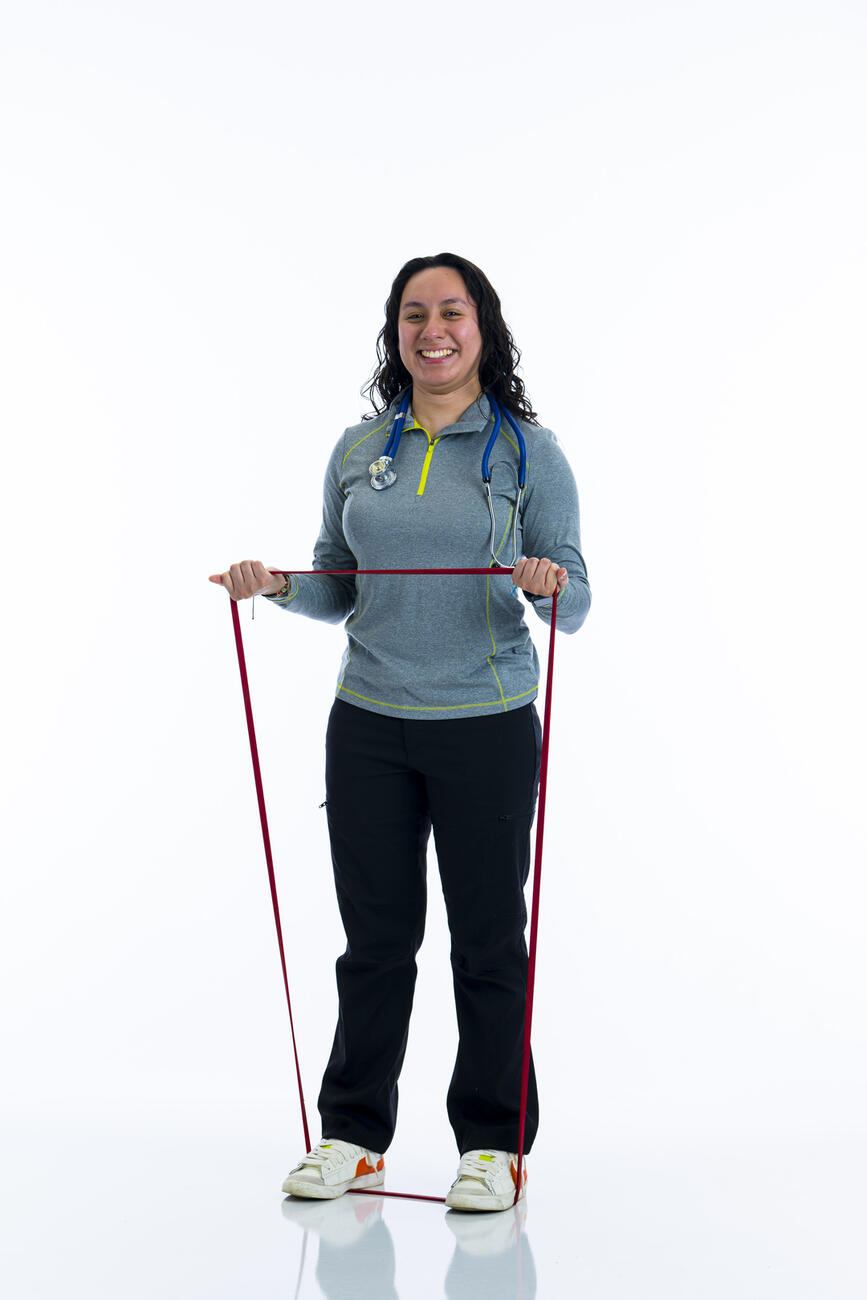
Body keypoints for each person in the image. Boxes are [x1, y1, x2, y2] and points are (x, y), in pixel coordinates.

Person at [210, 252, 591, 1212]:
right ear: (396, 333)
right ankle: (353, 1137)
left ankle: (494, 1146)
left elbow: (577, 598)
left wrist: (547, 583)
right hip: (370, 723)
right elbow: (339, 584)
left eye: (451, 312)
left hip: (487, 722)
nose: (433, 330)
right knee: (375, 943)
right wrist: (279, 586)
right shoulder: (355, 449)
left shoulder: (526, 454)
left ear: (482, 328)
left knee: (487, 943)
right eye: (414, 313)